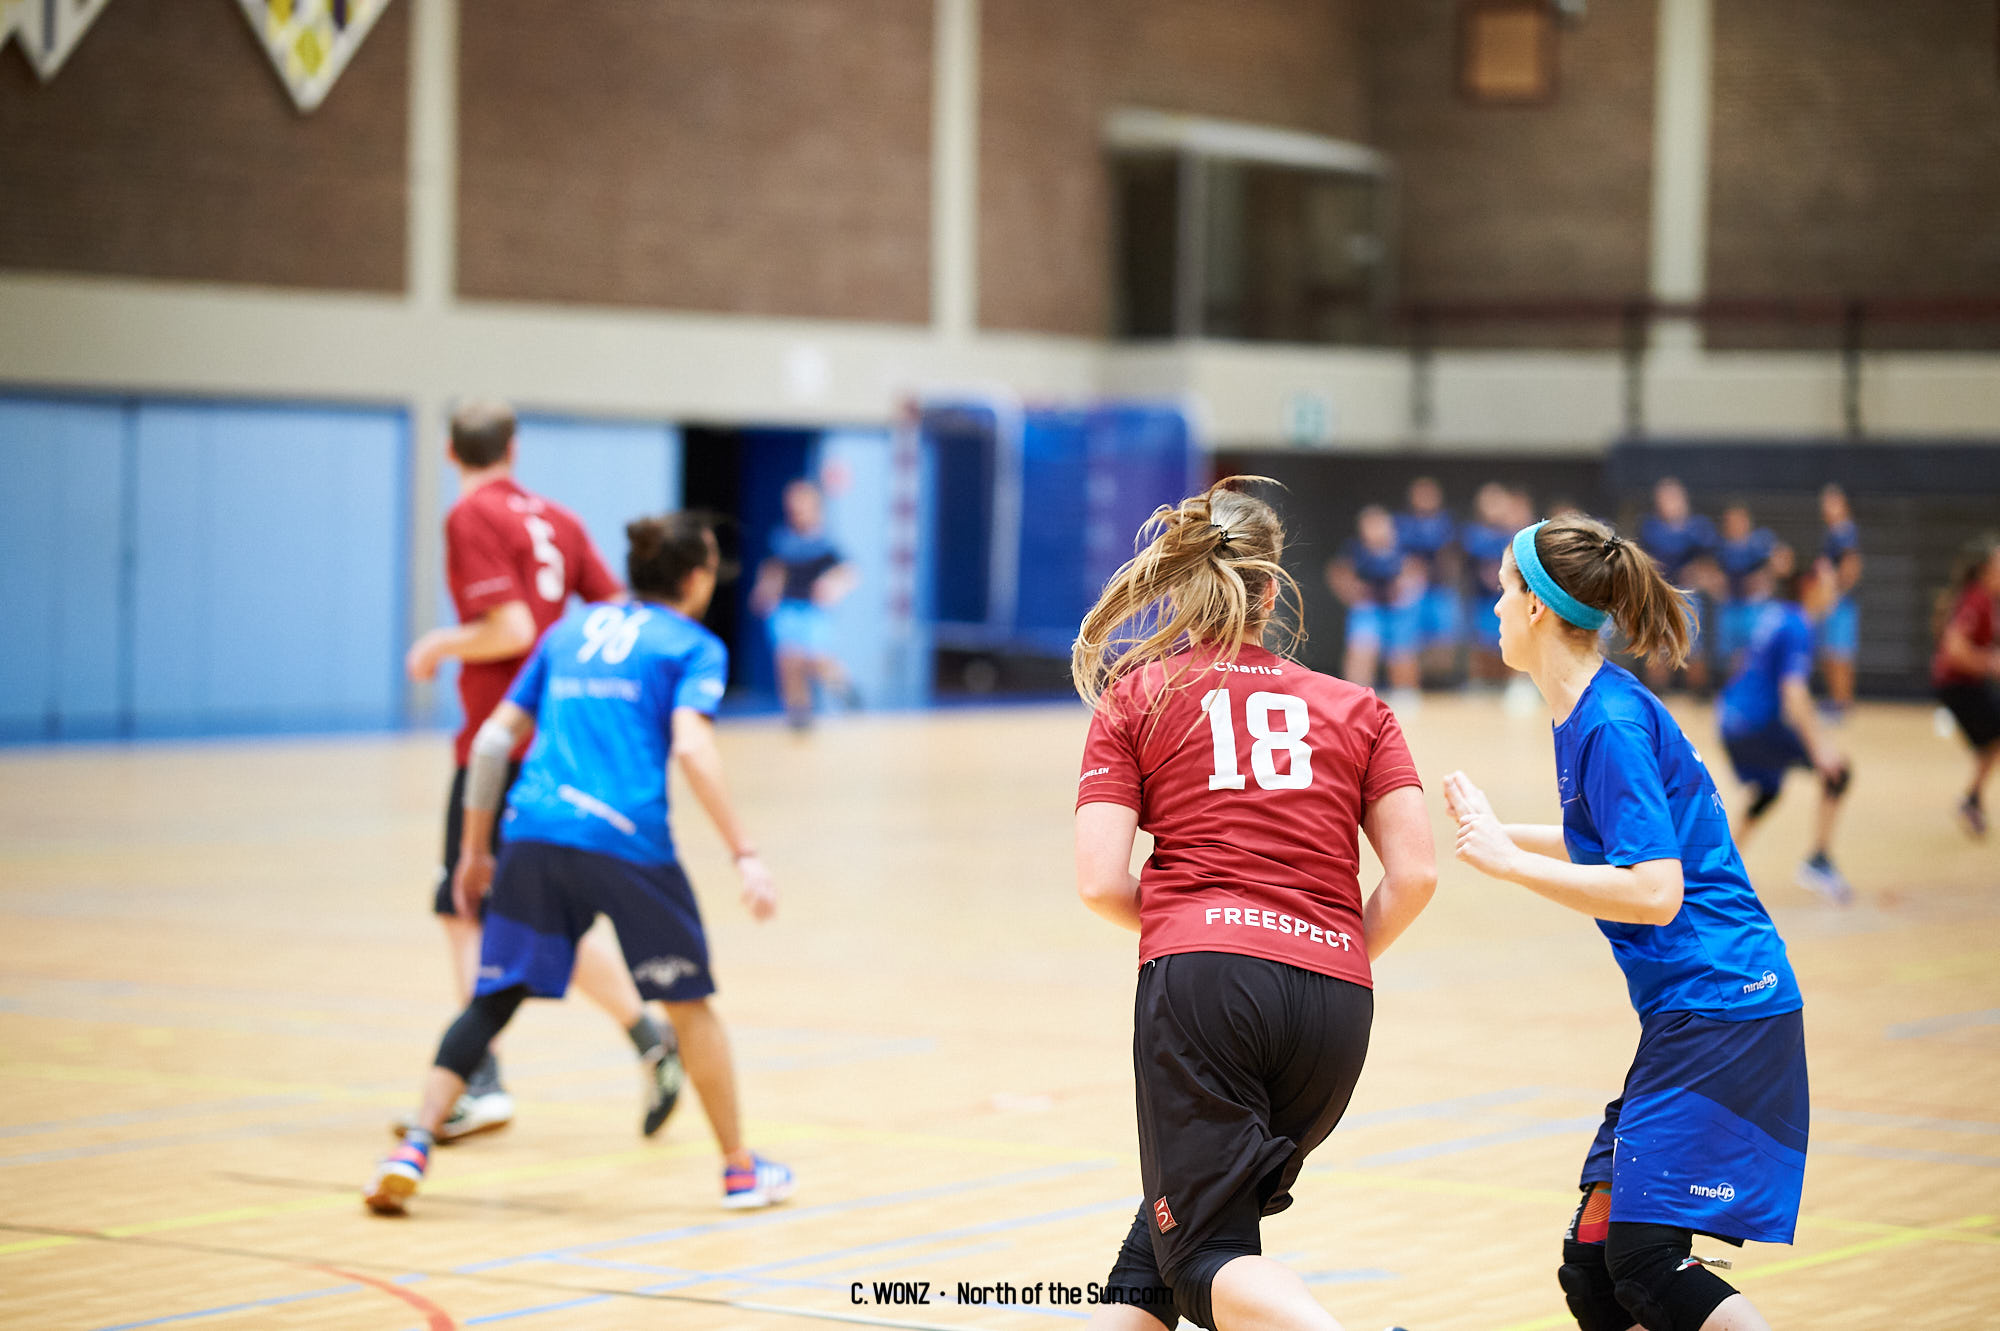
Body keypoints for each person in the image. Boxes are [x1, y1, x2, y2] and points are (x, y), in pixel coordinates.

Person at [1072, 478, 1436, 1331]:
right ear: (1272, 591)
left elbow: (1098, 880)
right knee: (1156, 1257)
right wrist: (1323, 942)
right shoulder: (1360, 707)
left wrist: (1200, 928)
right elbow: (1415, 875)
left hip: (1205, 982)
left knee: (1199, 1256)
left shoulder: (1139, 696)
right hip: (1337, 1000)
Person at [368, 512, 793, 1215]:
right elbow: (691, 747)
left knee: (492, 996)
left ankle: (413, 1143)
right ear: (695, 578)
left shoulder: (567, 632)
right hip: (627, 840)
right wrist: (744, 852)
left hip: (531, 832)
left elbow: (490, 744)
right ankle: (740, 1171)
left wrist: (475, 851)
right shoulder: (692, 645)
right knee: (687, 1003)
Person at [1444, 514, 1808, 1331]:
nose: (1493, 606)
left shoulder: (1607, 722)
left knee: (1644, 1260)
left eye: (1504, 589)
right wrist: (1506, 836)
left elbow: (1654, 890)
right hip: (1701, 1009)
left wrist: (1509, 863)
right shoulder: (1594, 712)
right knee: (1596, 1266)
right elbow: (1606, 842)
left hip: (1724, 1004)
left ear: (1537, 607)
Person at [403, 400, 680, 1141]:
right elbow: (614, 612)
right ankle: (651, 1037)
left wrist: (440, 644)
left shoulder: (470, 518)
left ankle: (478, 1082)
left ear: (450, 451)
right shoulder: (557, 517)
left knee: (464, 903)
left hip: (499, 745)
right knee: (533, 918)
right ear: (514, 448)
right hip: (555, 752)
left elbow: (512, 628)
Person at [1718, 556, 1853, 903]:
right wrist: (1820, 750)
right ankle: (1818, 861)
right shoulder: (1799, 626)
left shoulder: (1776, 614)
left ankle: (1723, 866)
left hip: (1731, 719)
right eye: (1829, 583)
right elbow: (1793, 694)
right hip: (1755, 724)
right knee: (1837, 772)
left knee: (1768, 787)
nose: (1834, 591)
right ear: (1809, 586)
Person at [750, 478, 858, 731]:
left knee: (817, 659)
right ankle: (799, 716)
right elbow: (772, 570)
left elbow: (848, 571)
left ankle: (843, 687)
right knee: (789, 661)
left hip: (813, 611)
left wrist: (833, 585)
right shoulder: (781, 538)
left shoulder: (823, 542)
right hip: (787, 608)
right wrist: (764, 591)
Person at [1932, 536, 2000, 838]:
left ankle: (1971, 799)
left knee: (1991, 743)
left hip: (1966, 684)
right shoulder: (1977, 598)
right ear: (1987, 569)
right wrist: (1989, 663)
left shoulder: (1987, 599)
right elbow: (1954, 649)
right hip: (1956, 685)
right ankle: (1971, 799)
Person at [1325, 505, 1421, 702]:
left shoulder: (1402, 547)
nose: (1375, 530)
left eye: (1379, 524)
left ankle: (1405, 693)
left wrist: (1405, 594)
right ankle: (1355, 694)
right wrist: (1353, 593)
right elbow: (1337, 573)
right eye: (1369, 525)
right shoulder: (1354, 549)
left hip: (1397, 609)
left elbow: (1416, 573)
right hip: (1369, 608)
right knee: (1362, 647)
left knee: (1402, 651)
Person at [1638, 478, 1719, 694]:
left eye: (1672, 497)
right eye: (1663, 498)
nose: (1668, 503)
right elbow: (1643, 559)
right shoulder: (1650, 527)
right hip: (1659, 594)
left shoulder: (1699, 528)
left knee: (1694, 649)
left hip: (1688, 595)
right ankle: (1657, 695)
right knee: (1656, 648)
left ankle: (1698, 696)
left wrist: (1698, 573)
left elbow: (1710, 564)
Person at [1396, 476, 1461, 684]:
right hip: (1413, 591)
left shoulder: (1447, 523)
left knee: (1443, 647)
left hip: (1440, 589)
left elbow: (1453, 555)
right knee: (1408, 644)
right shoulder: (1403, 524)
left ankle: (1438, 686)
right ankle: (1411, 686)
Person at [1459, 483, 1515, 687]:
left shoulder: (1514, 534)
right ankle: (1479, 682)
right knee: (1481, 643)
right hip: (1480, 599)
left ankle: (1517, 684)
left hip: (1509, 597)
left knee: (1513, 638)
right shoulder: (1472, 534)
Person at [1814, 485, 1863, 716]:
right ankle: (1837, 700)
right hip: (1831, 601)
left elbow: (1851, 566)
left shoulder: (1845, 531)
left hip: (1839, 602)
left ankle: (1843, 702)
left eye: (1832, 502)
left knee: (1839, 652)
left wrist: (1836, 593)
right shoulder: (1833, 532)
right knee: (1830, 651)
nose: (1827, 507)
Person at [1713, 503, 1778, 676]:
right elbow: (1710, 572)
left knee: (1754, 652)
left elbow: (1782, 562)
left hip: (1753, 608)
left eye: (1738, 520)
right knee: (1732, 655)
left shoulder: (1760, 543)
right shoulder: (1721, 547)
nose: (1734, 525)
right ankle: (1736, 688)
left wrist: (1765, 580)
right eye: (1730, 521)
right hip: (1731, 606)